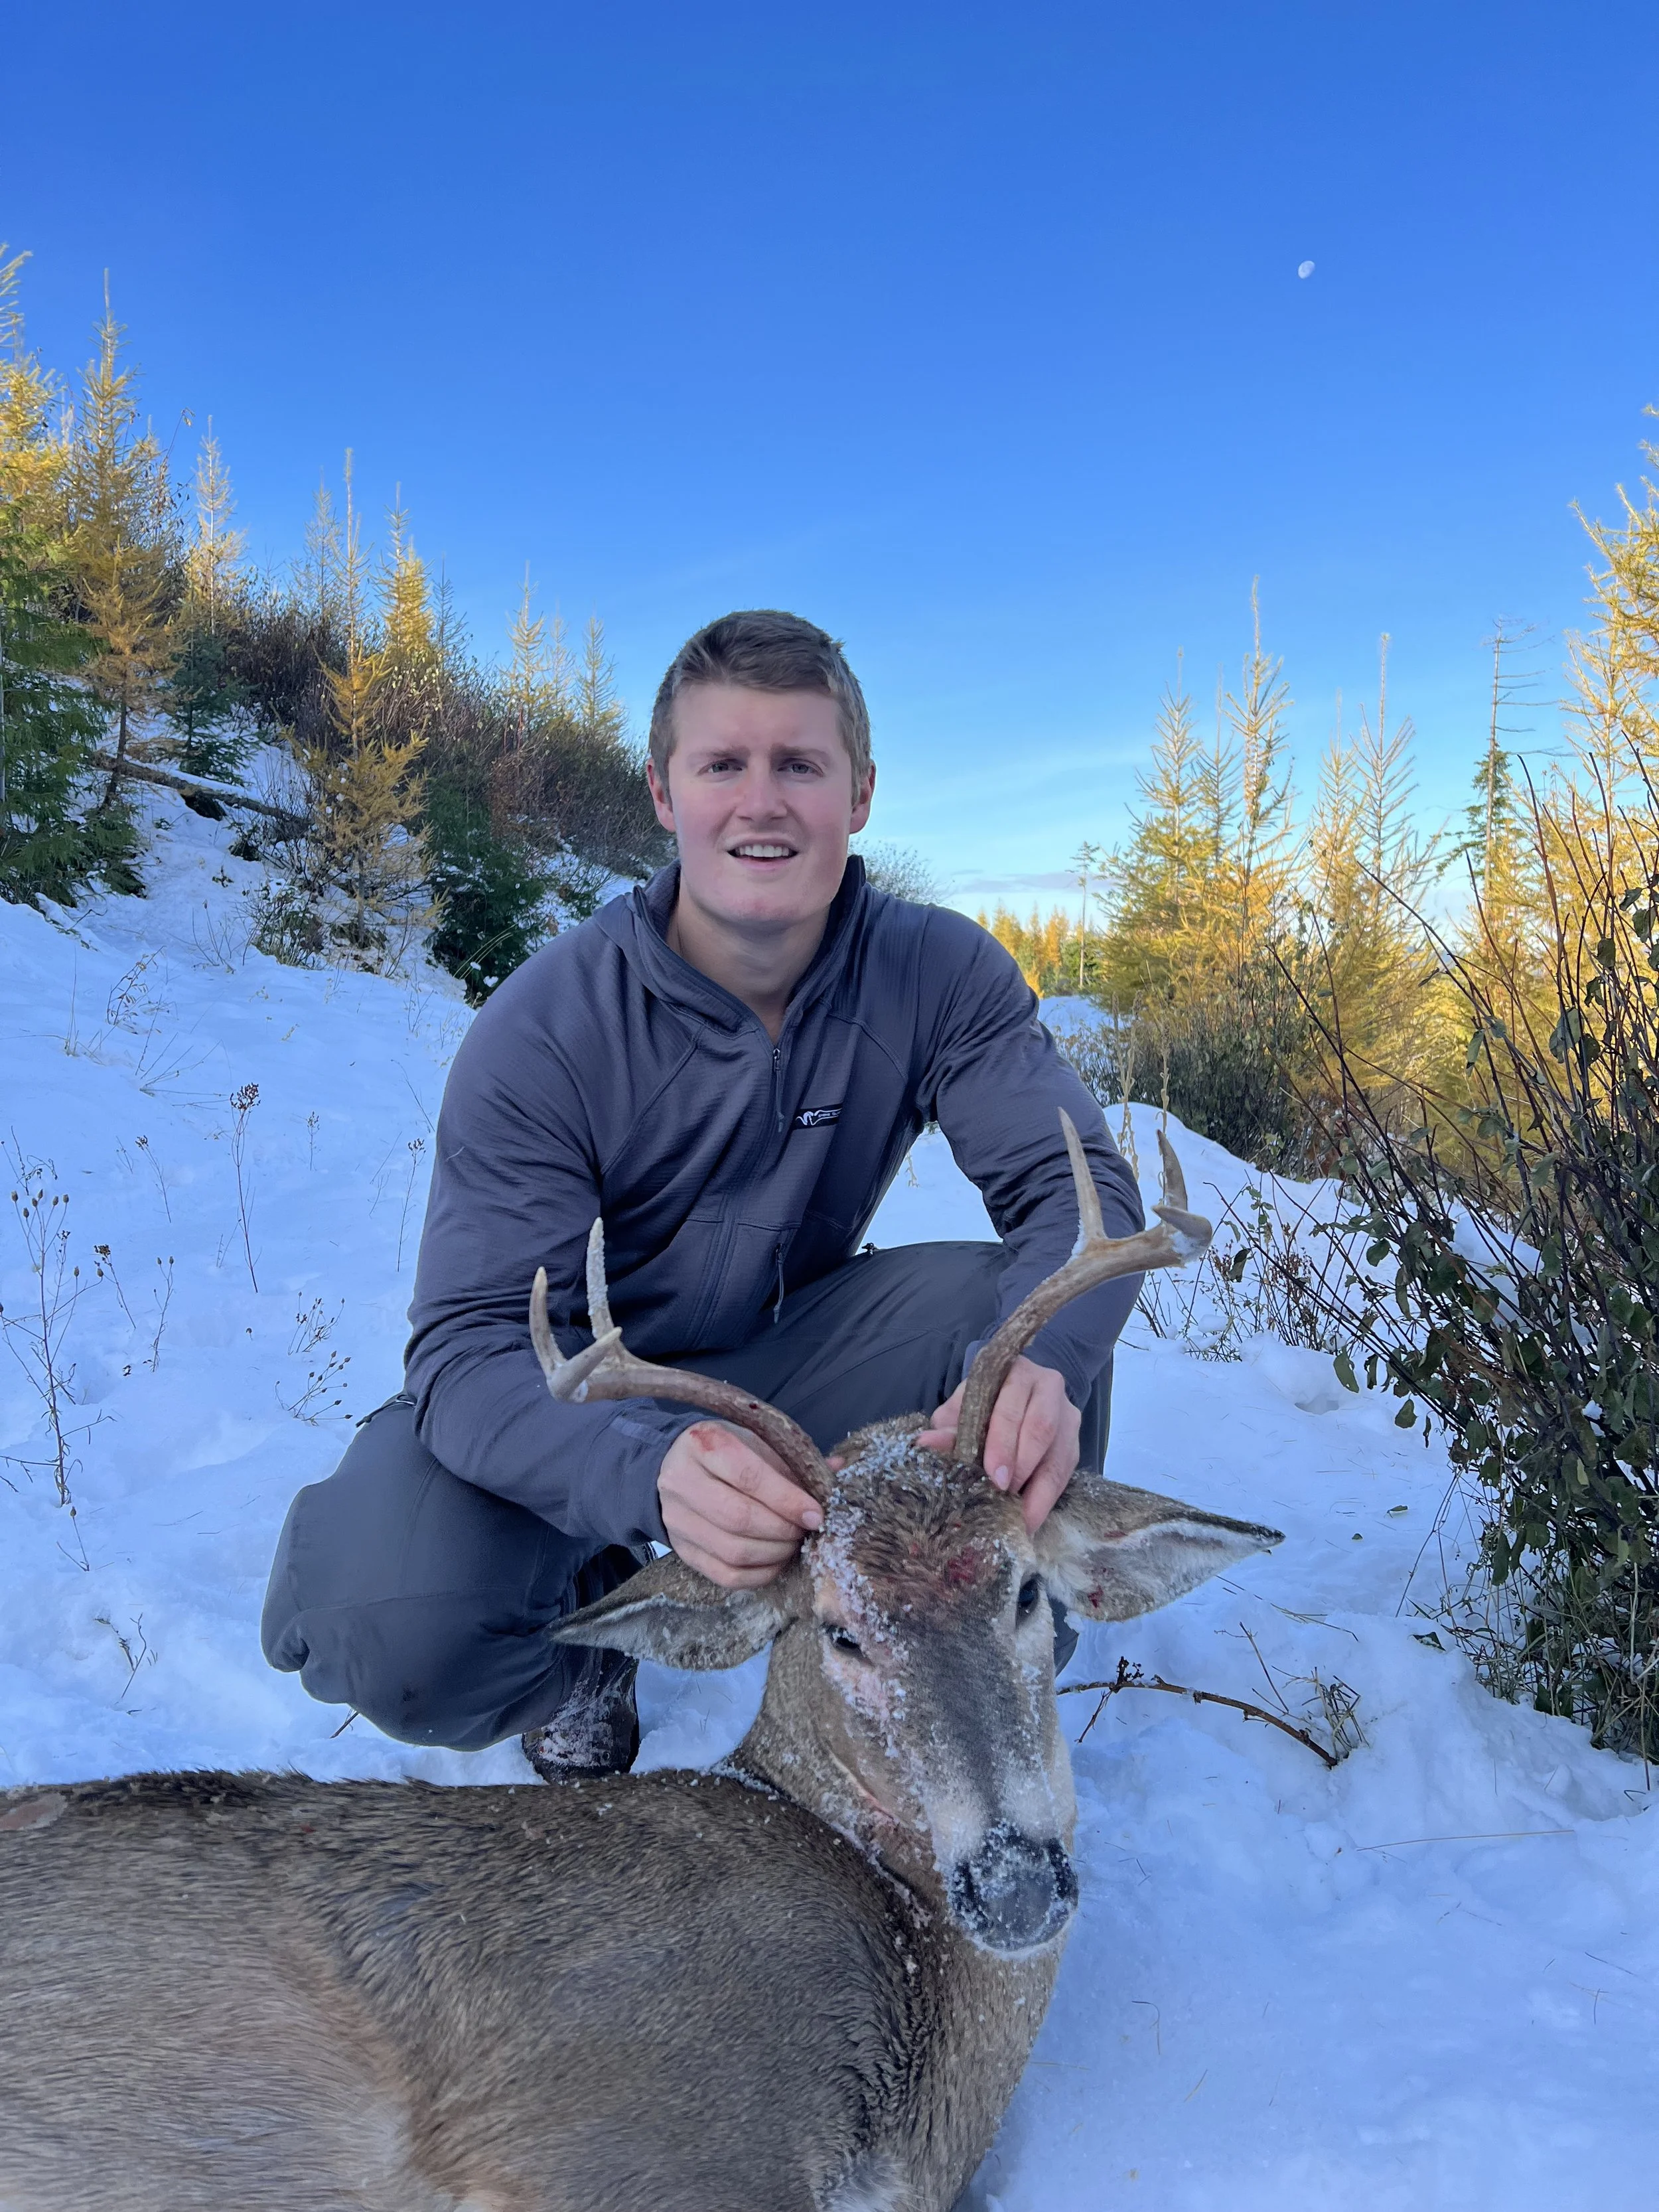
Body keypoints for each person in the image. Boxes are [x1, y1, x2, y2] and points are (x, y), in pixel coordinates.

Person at [261, 610, 1145, 1777]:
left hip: (793, 1356)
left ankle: (965, 1642)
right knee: (395, 1630)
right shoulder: (546, 1027)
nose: (761, 801)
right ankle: (592, 1659)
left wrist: (1038, 1370)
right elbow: (471, 1346)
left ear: (861, 793)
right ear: (665, 794)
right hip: (583, 1392)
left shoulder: (937, 972)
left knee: (1040, 1310)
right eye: (724, 764)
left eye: (800, 765)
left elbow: (1075, 1199)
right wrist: (643, 1471)